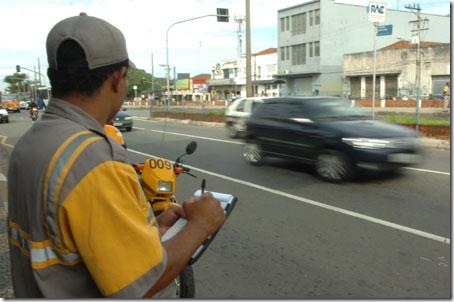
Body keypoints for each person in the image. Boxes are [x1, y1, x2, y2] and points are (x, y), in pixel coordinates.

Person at [7, 13, 225, 298]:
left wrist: (153, 228)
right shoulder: (95, 160)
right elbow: (140, 286)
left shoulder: (30, 143)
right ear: (116, 78)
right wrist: (200, 225)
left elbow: (69, 242)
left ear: (54, 76)